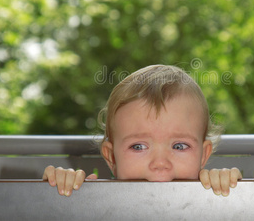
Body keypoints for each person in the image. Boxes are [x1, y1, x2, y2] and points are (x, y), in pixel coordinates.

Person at [43, 65, 242, 197]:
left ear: (203, 155)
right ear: (111, 157)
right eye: (138, 146)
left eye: (179, 146)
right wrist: (62, 193)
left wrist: (230, 191)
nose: (160, 164)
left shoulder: (208, 200)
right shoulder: (98, 202)